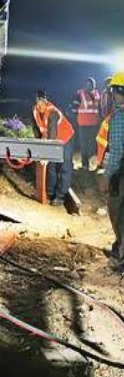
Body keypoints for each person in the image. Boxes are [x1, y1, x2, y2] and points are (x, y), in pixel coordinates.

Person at [34, 90, 76, 207]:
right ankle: (50, 193)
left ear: (45, 101)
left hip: (65, 138)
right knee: (51, 167)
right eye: (37, 103)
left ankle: (60, 196)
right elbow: (37, 131)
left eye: (42, 103)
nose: (39, 106)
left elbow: (52, 137)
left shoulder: (52, 113)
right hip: (53, 139)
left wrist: (46, 155)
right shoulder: (35, 111)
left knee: (64, 167)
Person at [101, 74, 124, 265]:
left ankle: (121, 253)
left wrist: (107, 176)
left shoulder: (119, 117)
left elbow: (116, 151)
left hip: (121, 174)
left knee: (116, 209)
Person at [73, 78, 102, 171]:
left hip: (94, 123)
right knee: (84, 144)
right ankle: (85, 164)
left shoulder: (97, 95)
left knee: (92, 145)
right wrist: (74, 120)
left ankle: (93, 163)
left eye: (92, 84)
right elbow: (74, 108)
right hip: (83, 123)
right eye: (89, 84)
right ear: (85, 85)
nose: (90, 86)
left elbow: (100, 108)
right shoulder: (80, 94)